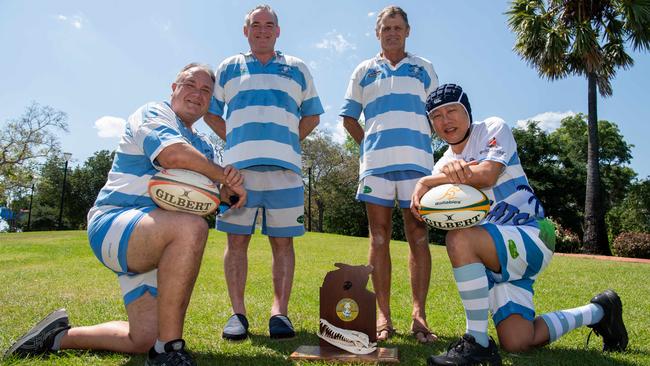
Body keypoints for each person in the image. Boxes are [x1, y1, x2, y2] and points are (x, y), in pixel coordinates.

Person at [4, 63, 247, 366]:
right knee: (191, 228)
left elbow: (211, 196)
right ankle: (168, 350)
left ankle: (55, 337)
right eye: (189, 84)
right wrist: (223, 176)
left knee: (142, 338)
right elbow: (173, 155)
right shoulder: (154, 113)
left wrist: (230, 191)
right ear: (173, 88)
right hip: (114, 223)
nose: (197, 94)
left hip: (154, 236)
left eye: (206, 90)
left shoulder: (205, 146)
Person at [411, 83, 628, 365]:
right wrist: (422, 200)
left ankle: (477, 344)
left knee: (460, 238)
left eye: (452, 111)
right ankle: (600, 311)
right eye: (436, 117)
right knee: (518, 340)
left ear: (467, 111)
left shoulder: (492, 128)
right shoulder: (443, 164)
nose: (445, 121)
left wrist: (427, 181)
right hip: (497, 257)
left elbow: (488, 174)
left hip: (532, 234)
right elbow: (431, 209)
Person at [203, 4, 324, 340]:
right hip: (237, 173)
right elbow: (211, 114)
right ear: (246, 31)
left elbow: (312, 115)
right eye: (255, 25)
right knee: (236, 241)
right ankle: (237, 314)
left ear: (278, 31)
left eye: (269, 25)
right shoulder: (228, 67)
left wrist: (285, 141)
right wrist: (239, 140)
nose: (262, 30)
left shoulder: (297, 68)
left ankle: (279, 314)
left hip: (285, 171)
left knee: (283, 244)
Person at [340, 5, 439, 343]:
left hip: (418, 165)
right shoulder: (364, 70)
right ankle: (383, 316)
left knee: (418, 236)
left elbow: (437, 115)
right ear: (377, 33)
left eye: (398, 27)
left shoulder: (423, 68)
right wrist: (368, 146)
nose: (392, 32)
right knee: (379, 237)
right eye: (386, 28)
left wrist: (418, 139)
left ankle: (419, 316)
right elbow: (349, 117)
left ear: (407, 31)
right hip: (376, 166)